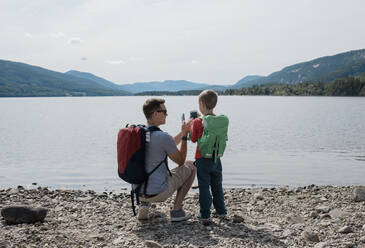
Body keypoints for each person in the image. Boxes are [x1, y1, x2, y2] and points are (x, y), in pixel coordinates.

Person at [134, 98, 196, 222]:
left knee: (148, 168)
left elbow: (170, 144)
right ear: (155, 114)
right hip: (158, 193)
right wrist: (184, 136)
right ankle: (177, 211)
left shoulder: (139, 134)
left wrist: (184, 130)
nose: (167, 114)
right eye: (164, 111)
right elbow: (180, 161)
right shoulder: (162, 137)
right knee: (191, 166)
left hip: (138, 190)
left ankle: (144, 204)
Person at [190, 90, 227, 220]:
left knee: (204, 186)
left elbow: (193, 139)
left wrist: (190, 129)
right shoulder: (216, 120)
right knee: (217, 185)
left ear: (201, 103)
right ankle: (221, 211)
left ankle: (205, 214)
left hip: (202, 158)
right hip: (216, 157)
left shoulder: (198, 121)